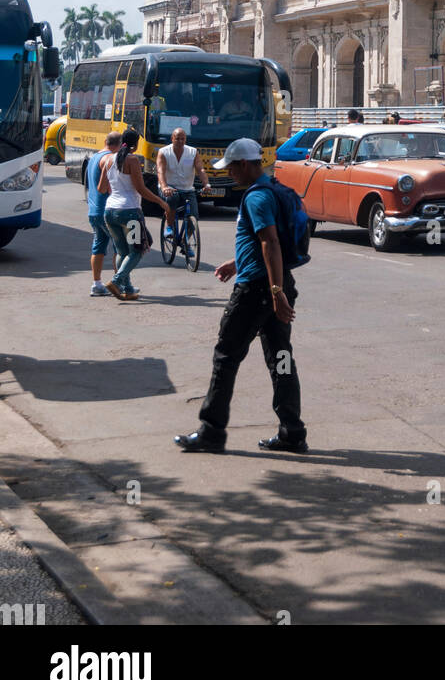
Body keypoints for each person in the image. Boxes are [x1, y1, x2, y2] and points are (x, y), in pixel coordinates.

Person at [174, 139, 307, 455]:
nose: (230, 173)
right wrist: (238, 263)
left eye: (232, 167)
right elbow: (263, 243)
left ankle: (211, 431)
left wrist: (275, 294)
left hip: (257, 291)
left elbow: (270, 243)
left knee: (225, 356)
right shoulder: (273, 189)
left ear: (246, 165)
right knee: (281, 358)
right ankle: (292, 432)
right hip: (276, 283)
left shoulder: (257, 198)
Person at [99, 128, 171, 301]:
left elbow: (101, 188)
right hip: (130, 211)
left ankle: (128, 288)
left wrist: (117, 188)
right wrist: (161, 202)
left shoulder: (107, 159)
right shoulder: (132, 160)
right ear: (136, 144)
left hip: (110, 212)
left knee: (123, 252)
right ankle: (117, 281)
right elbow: (141, 189)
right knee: (138, 250)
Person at [157, 128, 212, 239]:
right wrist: (164, 187)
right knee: (172, 199)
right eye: (177, 139)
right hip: (170, 187)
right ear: (172, 139)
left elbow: (200, 169)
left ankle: (185, 241)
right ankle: (169, 227)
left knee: (194, 217)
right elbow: (160, 171)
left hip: (187, 188)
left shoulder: (192, 152)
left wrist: (206, 184)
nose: (180, 141)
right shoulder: (163, 152)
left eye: (183, 139)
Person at [86, 132, 121, 297]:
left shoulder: (95, 157)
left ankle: (96, 283)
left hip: (93, 210)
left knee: (98, 246)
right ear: (119, 145)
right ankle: (119, 283)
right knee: (120, 247)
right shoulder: (109, 159)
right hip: (106, 209)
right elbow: (107, 187)